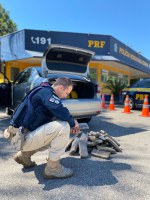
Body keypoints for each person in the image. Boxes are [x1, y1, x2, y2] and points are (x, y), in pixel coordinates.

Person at [8, 77, 80, 179]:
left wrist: (72, 123)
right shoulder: (46, 92)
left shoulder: (44, 91)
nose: (65, 96)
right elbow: (59, 109)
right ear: (61, 87)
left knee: (56, 132)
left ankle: (24, 156)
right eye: (67, 92)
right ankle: (53, 168)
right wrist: (73, 122)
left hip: (21, 136)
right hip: (21, 137)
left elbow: (55, 115)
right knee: (63, 126)